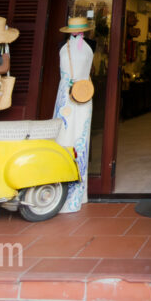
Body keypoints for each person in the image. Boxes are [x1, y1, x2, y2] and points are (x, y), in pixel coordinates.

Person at [52, 17, 94, 213]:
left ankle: (76, 193)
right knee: (65, 136)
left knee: (78, 138)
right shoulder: (67, 46)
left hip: (79, 93)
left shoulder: (87, 45)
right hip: (70, 95)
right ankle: (62, 189)